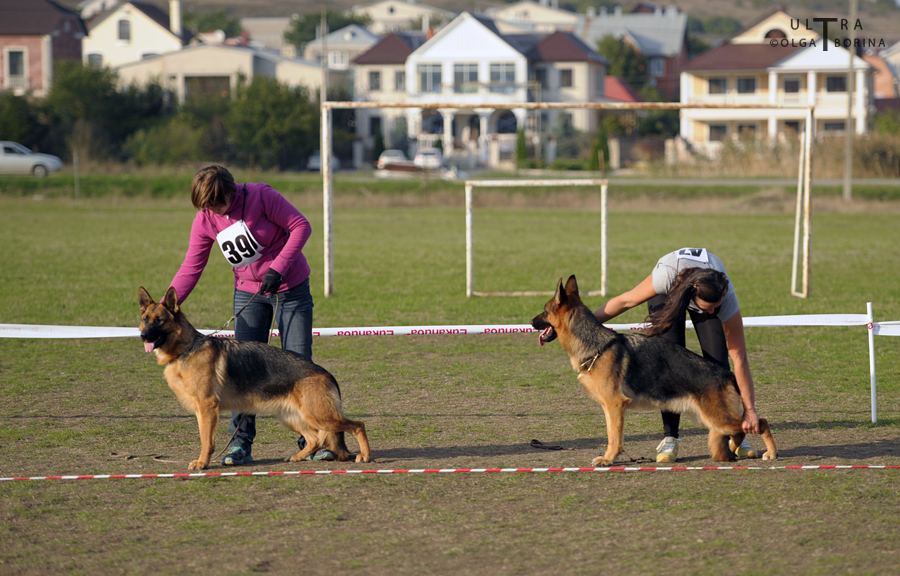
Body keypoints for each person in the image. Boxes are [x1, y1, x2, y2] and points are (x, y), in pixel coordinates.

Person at [168, 165, 332, 465]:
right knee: (241, 371)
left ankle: (314, 440)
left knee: (297, 363)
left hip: (290, 287)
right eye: (206, 206)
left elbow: (301, 226)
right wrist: (166, 308)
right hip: (248, 293)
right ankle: (240, 444)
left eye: (217, 203)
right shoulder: (205, 219)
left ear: (231, 192)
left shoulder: (260, 195)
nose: (213, 210)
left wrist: (278, 267)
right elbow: (191, 267)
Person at [592, 247, 761, 463]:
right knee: (669, 366)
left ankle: (733, 433)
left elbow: (740, 358)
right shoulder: (666, 275)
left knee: (718, 364)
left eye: (715, 308)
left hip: (704, 286)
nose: (712, 312)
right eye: (708, 308)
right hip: (669, 291)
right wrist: (587, 325)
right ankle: (670, 438)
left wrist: (750, 410)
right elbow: (626, 301)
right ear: (693, 296)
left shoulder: (723, 298)